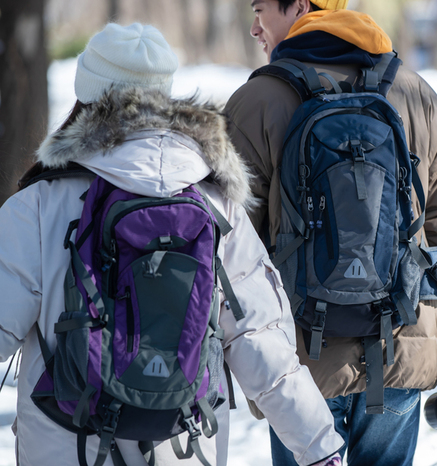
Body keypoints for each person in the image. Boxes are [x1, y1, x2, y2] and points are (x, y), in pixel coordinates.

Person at [0, 22, 343, 466]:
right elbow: (259, 340)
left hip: (68, 442)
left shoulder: (41, 203)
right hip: (185, 441)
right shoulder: (214, 201)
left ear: (87, 95)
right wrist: (320, 448)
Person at [223, 1, 437, 465]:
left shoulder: (256, 103)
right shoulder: (415, 94)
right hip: (402, 342)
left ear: (303, 5)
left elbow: (229, 244)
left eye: (260, 9)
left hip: (298, 364)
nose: (253, 27)